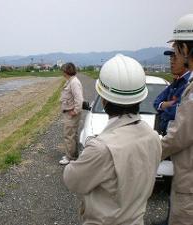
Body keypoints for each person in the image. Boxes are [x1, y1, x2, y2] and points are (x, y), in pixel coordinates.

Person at [63, 54, 162, 225]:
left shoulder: (101, 147)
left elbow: (72, 180)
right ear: (141, 96)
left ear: (103, 98)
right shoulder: (153, 137)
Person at [160, 14, 193, 225]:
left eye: (177, 48)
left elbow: (178, 137)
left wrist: (144, 149)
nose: (176, 54)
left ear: (187, 49)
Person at [154, 50, 190, 136]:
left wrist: (164, 108)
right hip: (167, 135)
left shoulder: (188, 83)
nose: (172, 62)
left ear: (185, 59)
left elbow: (175, 112)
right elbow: (156, 102)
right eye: (170, 59)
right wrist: (167, 105)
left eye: (175, 58)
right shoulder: (176, 82)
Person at [59, 62, 83, 165]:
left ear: (66, 71)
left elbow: (79, 99)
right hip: (69, 112)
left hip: (71, 113)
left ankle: (70, 158)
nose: (62, 72)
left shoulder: (74, 82)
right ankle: (73, 155)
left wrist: (75, 111)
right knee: (72, 135)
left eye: (63, 70)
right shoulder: (71, 81)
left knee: (69, 135)